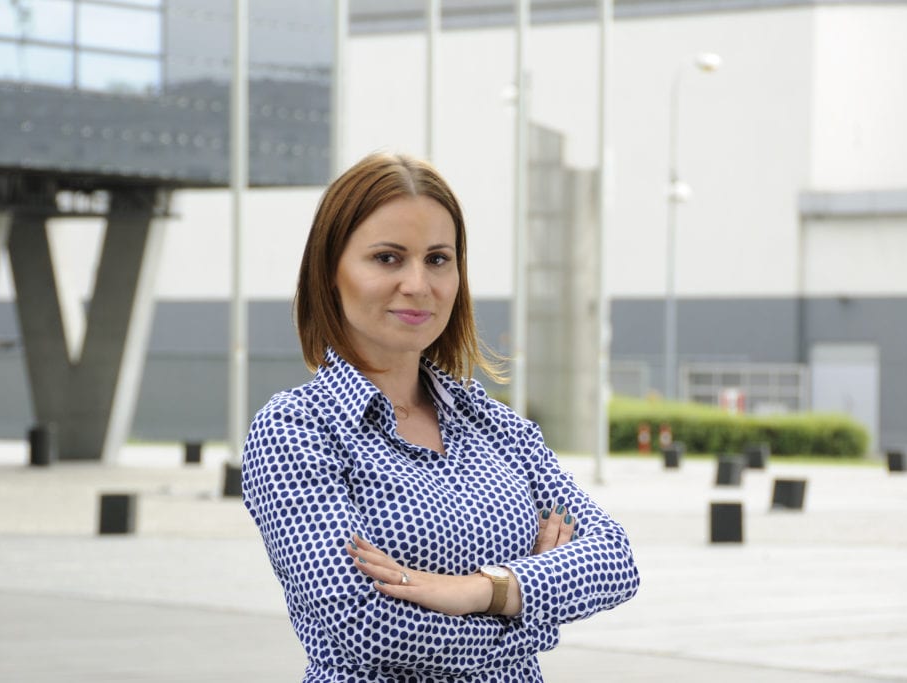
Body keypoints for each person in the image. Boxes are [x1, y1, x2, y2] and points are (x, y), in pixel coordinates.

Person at [241, 152, 639, 682]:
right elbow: (368, 625)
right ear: (330, 272)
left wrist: (479, 589)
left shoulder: (497, 427)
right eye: (387, 258)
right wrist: (531, 609)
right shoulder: (297, 430)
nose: (417, 284)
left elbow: (614, 560)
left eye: (437, 259)